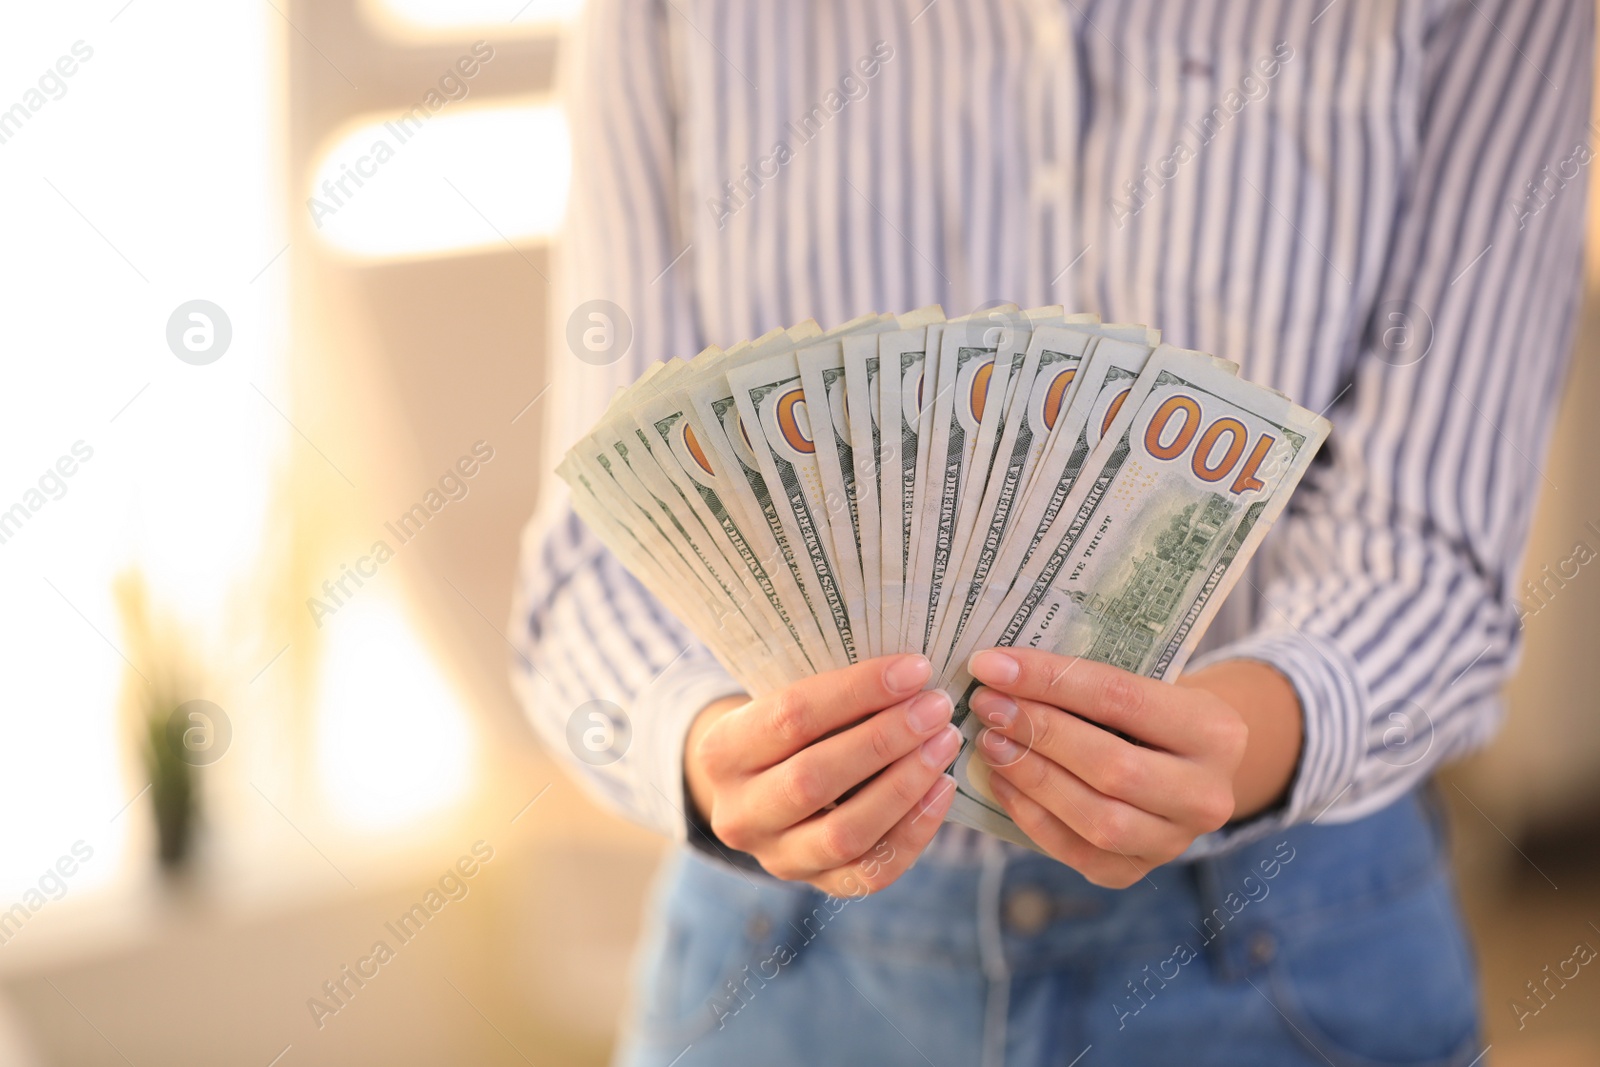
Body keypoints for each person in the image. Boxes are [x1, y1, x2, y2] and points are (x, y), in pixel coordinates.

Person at [512, 2, 1592, 1063]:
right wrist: (713, 759)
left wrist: (1238, 739)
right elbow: (598, 550)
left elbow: (1433, 545)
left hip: (1282, 941)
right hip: (786, 948)